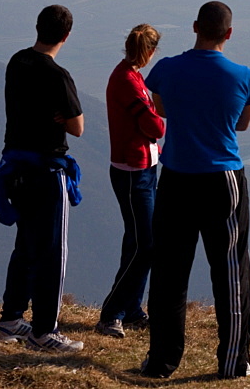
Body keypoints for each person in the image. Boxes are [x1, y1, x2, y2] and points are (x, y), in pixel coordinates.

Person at [142, 1, 250, 379]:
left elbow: (161, 109)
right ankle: (233, 362)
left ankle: (161, 362)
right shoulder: (242, 76)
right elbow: (242, 124)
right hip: (222, 180)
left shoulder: (166, 70)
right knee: (229, 271)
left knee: (168, 273)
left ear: (195, 27)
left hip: (176, 176)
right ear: (229, 33)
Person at [0, 5, 84, 352]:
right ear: (66, 35)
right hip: (47, 170)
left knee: (25, 246)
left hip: (17, 168)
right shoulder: (56, 74)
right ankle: (45, 331)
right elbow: (78, 126)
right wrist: (60, 118)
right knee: (52, 252)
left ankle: (10, 320)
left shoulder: (18, 62)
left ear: (37, 28)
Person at [96, 24, 165, 339]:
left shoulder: (131, 76)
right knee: (145, 244)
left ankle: (133, 310)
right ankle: (112, 314)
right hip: (132, 172)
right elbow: (154, 125)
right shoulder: (127, 80)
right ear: (149, 52)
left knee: (137, 241)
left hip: (143, 167)